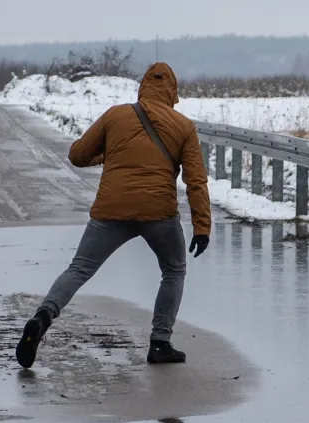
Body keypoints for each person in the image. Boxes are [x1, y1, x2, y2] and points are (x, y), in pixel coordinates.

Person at [16, 62, 211, 369]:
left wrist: (110, 155)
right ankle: (160, 343)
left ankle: (43, 316)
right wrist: (202, 226)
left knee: (79, 268)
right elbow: (195, 181)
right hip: (158, 212)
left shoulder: (115, 115)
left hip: (112, 210)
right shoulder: (183, 126)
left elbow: (78, 155)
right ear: (173, 91)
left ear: (142, 87)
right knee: (173, 271)